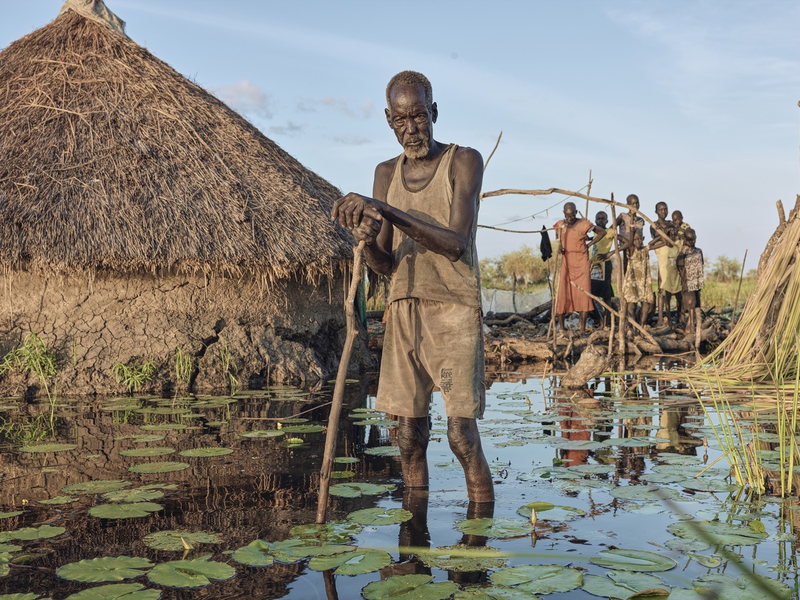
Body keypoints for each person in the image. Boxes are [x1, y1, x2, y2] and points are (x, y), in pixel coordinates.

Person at [331, 71, 493, 503]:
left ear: (434, 112)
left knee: (461, 436)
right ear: (388, 120)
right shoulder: (386, 172)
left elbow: (456, 243)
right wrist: (365, 240)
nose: (411, 129)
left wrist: (385, 208)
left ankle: (478, 542)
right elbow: (386, 262)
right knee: (407, 436)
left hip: (454, 311)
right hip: (403, 310)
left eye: (419, 116)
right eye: (401, 120)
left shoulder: (464, 161)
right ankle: (413, 541)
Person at [554, 202, 606, 334]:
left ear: (576, 213)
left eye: (572, 215)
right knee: (563, 293)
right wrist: (560, 247)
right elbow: (559, 240)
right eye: (567, 215)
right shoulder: (561, 225)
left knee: (584, 294)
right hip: (567, 262)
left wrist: (589, 244)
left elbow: (602, 232)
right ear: (563, 213)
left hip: (582, 263)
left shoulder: (584, 224)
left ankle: (582, 328)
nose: (569, 218)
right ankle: (561, 328)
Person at [650, 224, 683, 326]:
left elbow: (683, 238)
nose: (671, 236)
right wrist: (663, 235)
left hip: (676, 277)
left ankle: (680, 317)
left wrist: (676, 232)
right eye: (669, 235)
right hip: (666, 279)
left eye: (673, 235)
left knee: (679, 298)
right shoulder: (661, 248)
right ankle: (667, 319)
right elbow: (650, 245)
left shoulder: (677, 246)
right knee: (667, 299)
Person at [620, 229, 653, 328]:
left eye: (640, 239)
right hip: (632, 281)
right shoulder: (631, 249)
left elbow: (663, 242)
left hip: (644, 281)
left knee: (646, 303)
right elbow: (630, 236)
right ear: (632, 241)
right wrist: (631, 223)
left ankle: (642, 325)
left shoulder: (645, 249)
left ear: (643, 239)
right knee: (631, 304)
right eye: (635, 239)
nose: (638, 241)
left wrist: (660, 233)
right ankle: (632, 325)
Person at [677, 228, 704, 335]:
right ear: (684, 240)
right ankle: (690, 326)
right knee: (690, 303)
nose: (691, 242)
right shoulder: (682, 252)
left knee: (696, 303)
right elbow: (679, 266)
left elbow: (701, 265)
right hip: (687, 282)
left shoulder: (698, 251)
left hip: (697, 282)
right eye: (688, 240)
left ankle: (693, 324)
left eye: (693, 239)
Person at [589, 211, 614, 327]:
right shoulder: (595, 233)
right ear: (595, 221)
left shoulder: (609, 232)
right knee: (590, 294)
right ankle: (599, 319)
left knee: (606, 296)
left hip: (604, 266)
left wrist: (610, 253)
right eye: (598, 219)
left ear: (607, 221)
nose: (600, 220)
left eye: (603, 219)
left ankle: (606, 321)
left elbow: (625, 241)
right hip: (594, 267)